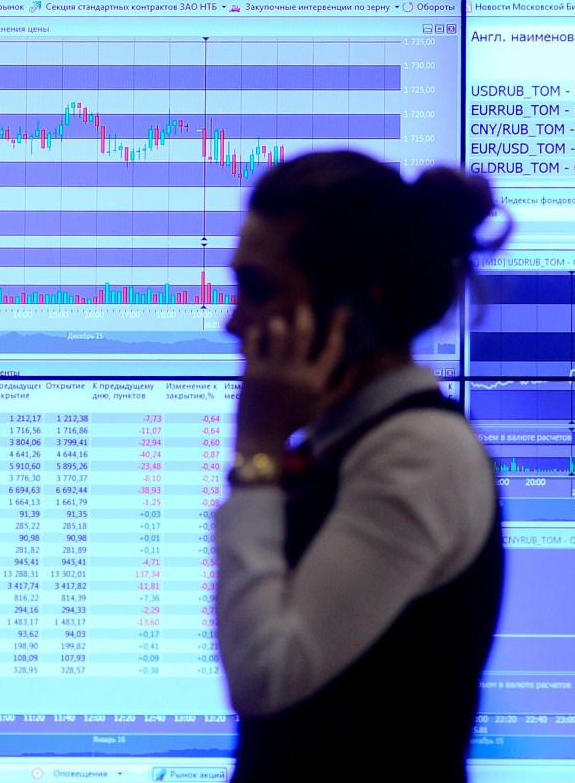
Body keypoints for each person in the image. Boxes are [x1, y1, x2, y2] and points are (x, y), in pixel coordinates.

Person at [212, 150, 510, 781]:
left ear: (358, 307)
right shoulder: (340, 444)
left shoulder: (419, 454)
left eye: (259, 289)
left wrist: (257, 453)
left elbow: (268, 675)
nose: (233, 322)